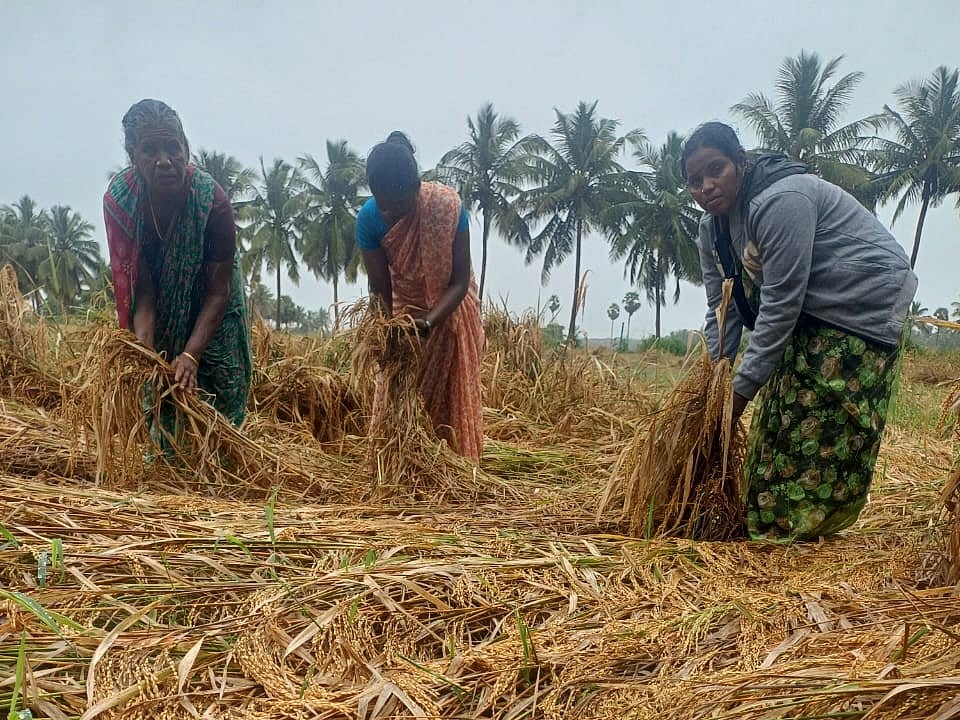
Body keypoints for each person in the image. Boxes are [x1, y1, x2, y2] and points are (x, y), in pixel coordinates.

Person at [681, 121, 917, 541]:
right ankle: (770, 522)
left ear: (741, 162)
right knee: (775, 425)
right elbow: (724, 309)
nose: (707, 187)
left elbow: (781, 303)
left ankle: (798, 530)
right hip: (812, 310)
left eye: (716, 170)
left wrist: (736, 396)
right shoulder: (711, 230)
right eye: (695, 181)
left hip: (862, 299)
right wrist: (709, 387)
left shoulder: (780, 200)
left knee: (817, 423)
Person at [104, 99, 252, 428]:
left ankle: (221, 471)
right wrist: (146, 355)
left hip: (214, 302)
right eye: (150, 150)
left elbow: (218, 291)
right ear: (132, 156)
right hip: (160, 305)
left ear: (185, 147)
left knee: (219, 390)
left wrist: (190, 355)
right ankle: (165, 470)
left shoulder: (212, 201)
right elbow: (142, 292)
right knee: (161, 394)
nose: (164, 161)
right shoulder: (122, 202)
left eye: (173, 147)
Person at [357, 131, 485, 460]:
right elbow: (380, 289)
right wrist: (390, 333)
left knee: (450, 400)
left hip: (449, 312)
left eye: (399, 206)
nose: (391, 214)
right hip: (404, 317)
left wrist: (427, 323)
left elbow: (458, 282)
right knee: (395, 399)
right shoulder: (369, 220)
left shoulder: (445, 207)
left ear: (417, 188)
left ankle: (452, 466)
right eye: (384, 206)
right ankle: (398, 463)